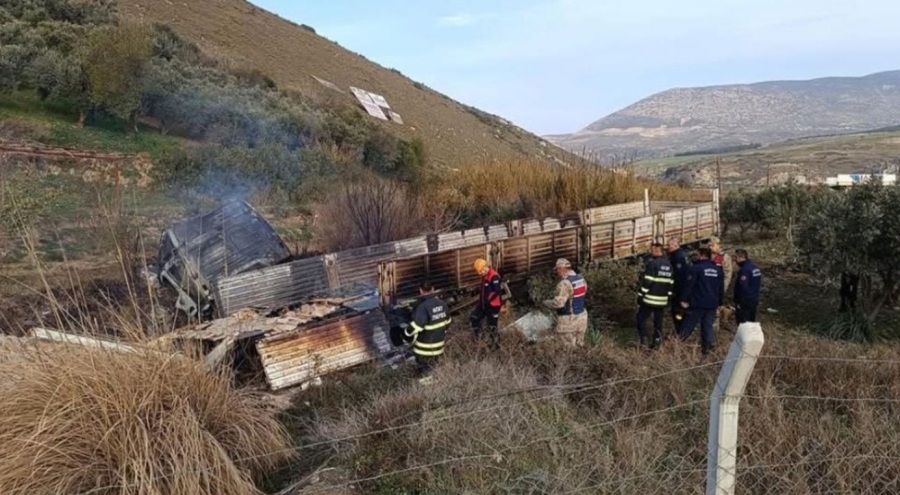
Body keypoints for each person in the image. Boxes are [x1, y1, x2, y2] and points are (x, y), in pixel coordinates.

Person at [678, 247, 724, 356]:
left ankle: (676, 347)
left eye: (697, 254)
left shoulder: (696, 268)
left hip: (697, 303)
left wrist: (683, 299)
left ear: (702, 255)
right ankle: (707, 352)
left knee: (687, 327)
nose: (696, 256)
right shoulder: (718, 270)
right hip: (712, 304)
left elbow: (689, 286)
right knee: (707, 327)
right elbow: (720, 288)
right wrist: (720, 303)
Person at [404, 281, 452, 379]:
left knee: (425, 374)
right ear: (433, 289)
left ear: (420, 291)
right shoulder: (442, 304)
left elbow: (417, 326)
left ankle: (427, 390)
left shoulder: (423, 307)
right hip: (439, 347)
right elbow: (448, 322)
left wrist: (406, 333)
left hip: (424, 349)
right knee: (434, 369)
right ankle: (436, 387)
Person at [636, 243, 674, 350]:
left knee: (641, 319)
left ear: (658, 250)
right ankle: (657, 341)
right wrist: (668, 299)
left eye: (653, 250)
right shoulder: (669, 265)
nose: (651, 252)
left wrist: (640, 295)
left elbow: (647, 282)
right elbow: (671, 284)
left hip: (649, 299)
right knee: (658, 322)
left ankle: (644, 340)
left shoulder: (653, 264)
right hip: (662, 301)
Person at [543, 258, 589, 347]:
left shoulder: (564, 283)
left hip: (569, 321)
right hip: (582, 318)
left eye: (557, 269)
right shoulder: (581, 279)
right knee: (579, 346)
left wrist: (545, 303)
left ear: (561, 268)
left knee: (566, 349)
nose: (556, 272)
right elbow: (582, 294)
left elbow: (559, 304)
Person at [470, 258, 503, 350]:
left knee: (492, 326)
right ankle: (480, 339)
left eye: (480, 272)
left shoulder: (494, 276)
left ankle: (496, 347)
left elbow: (497, 291)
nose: (480, 274)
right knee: (474, 317)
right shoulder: (485, 276)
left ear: (484, 268)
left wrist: (487, 301)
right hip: (483, 305)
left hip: (493, 306)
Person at [667, 236, 691, 335]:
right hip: (681, 291)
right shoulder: (679, 255)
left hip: (679, 292)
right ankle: (680, 333)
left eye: (669, 245)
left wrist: (679, 294)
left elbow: (680, 277)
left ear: (676, 245)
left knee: (678, 313)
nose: (667, 247)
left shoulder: (678, 257)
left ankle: (681, 334)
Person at [733, 249, 762, 324]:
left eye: (736, 258)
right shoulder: (755, 267)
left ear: (741, 257)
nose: (734, 260)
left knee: (743, 323)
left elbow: (742, 287)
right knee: (751, 321)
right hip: (754, 299)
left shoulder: (744, 270)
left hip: (745, 301)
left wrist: (739, 301)